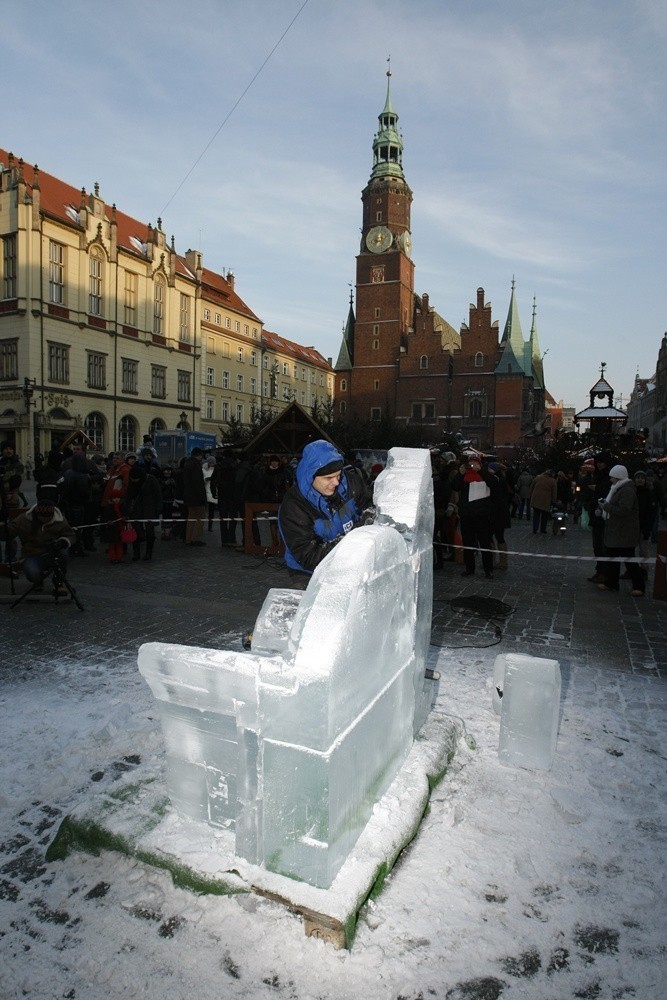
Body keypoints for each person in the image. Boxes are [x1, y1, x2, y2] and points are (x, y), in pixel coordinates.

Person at [278, 439, 370, 588]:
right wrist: (351, 545)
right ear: (311, 477)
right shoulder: (294, 506)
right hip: (308, 571)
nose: (336, 482)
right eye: (328, 478)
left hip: (350, 564)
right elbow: (307, 555)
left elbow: (368, 505)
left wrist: (368, 519)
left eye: (338, 475)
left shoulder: (351, 483)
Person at [0, 499, 75, 596]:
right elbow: (10, 533)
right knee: (32, 573)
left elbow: (71, 535)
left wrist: (63, 541)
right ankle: (38, 580)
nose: (45, 520)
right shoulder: (24, 519)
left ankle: (59, 583)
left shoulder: (59, 520)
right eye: (42, 517)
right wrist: (3, 528)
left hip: (53, 552)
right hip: (33, 553)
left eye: (48, 518)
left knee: (64, 552)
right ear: (37, 514)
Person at [596, 465, 645, 596]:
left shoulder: (627, 491)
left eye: (613, 477)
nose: (611, 479)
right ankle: (612, 583)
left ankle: (639, 586)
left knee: (629, 560)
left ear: (618, 477)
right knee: (613, 558)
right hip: (617, 531)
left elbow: (624, 510)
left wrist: (606, 507)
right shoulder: (618, 489)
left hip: (625, 532)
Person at [452, 455, 495, 578]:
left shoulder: (486, 474)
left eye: (475, 463)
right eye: (470, 463)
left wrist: (480, 471)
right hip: (467, 515)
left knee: (485, 543)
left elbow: (494, 484)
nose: (472, 465)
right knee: (468, 543)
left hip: (482, 515)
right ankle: (469, 568)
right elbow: (454, 486)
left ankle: (488, 569)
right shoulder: (464, 476)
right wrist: (460, 474)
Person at [582, 453, 612, 583]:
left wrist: (597, 489)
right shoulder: (596, 475)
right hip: (595, 514)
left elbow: (607, 493)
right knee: (596, 545)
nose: (600, 464)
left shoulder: (609, 477)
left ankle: (604, 572)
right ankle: (599, 570)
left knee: (601, 545)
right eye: (598, 462)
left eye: (602, 462)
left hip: (604, 516)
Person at [124, 463, 163, 561]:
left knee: (150, 531)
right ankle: (136, 553)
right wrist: (126, 510)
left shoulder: (151, 479)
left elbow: (158, 495)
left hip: (150, 509)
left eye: (135, 479)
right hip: (136, 509)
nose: (133, 481)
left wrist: (158, 509)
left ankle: (148, 553)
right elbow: (128, 496)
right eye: (132, 479)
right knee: (135, 530)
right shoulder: (132, 482)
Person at [182, 447, 207, 546]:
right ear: (199, 455)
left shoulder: (187, 464)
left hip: (188, 496)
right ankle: (195, 538)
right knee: (200, 517)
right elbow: (198, 483)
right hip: (197, 497)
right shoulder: (196, 465)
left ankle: (188, 538)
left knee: (191, 517)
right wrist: (202, 497)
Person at [530, 469, 557, 534]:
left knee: (536, 515)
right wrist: (553, 501)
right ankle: (543, 529)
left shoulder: (538, 477)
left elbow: (531, 487)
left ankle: (535, 528)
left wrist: (531, 495)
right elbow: (554, 492)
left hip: (536, 498)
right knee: (544, 516)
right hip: (546, 500)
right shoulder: (553, 481)